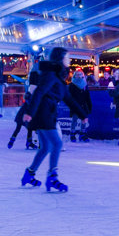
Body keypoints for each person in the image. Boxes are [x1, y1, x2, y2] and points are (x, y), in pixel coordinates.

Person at [21, 47, 85, 191]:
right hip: (43, 113)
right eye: (67, 57)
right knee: (56, 144)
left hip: (46, 113)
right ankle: (52, 177)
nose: (70, 59)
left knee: (45, 147)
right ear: (60, 58)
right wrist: (29, 112)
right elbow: (39, 92)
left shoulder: (58, 76)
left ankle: (29, 174)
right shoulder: (51, 75)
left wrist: (83, 115)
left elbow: (69, 99)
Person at [68, 68, 92, 142]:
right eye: (77, 75)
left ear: (82, 75)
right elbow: (69, 96)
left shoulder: (84, 85)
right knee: (74, 120)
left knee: (84, 120)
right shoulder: (72, 85)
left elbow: (87, 96)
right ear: (75, 76)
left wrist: (89, 105)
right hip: (75, 105)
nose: (78, 76)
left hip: (83, 105)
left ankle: (82, 134)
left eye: (80, 74)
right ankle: (72, 134)